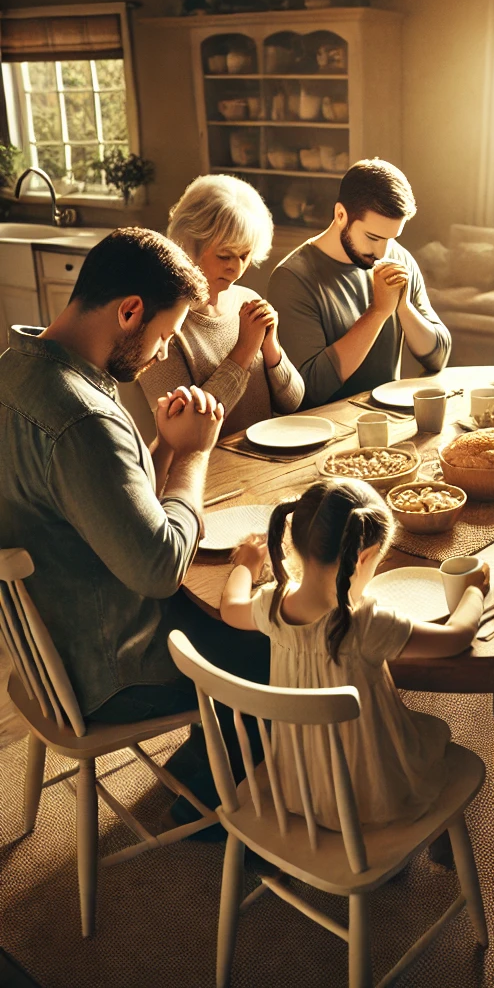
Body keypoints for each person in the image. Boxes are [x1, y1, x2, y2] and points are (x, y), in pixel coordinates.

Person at [0, 228, 271, 816]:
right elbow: (160, 568)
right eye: (164, 335)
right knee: (277, 642)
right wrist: (198, 451)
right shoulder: (85, 416)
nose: (158, 355)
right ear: (130, 312)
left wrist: (163, 448)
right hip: (107, 665)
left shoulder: (16, 368)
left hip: (45, 639)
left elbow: (95, 495)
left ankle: (212, 759)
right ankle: (209, 804)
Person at [219, 479, 490, 828]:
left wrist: (246, 564)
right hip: (376, 795)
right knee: (436, 739)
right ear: (362, 557)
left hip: (298, 785)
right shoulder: (365, 624)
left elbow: (230, 607)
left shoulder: (271, 605)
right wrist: (474, 592)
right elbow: (456, 637)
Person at [271, 158, 451, 408]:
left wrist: (404, 308)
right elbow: (309, 390)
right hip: (322, 433)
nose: (382, 252)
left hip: (386, 423)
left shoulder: (398, 257)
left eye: (392, 238)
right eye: (373, 237)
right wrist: (378, 313)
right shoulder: (292, 279)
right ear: (341, 214)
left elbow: (438, 357)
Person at [139, 174, 305, 438]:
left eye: (244, 255)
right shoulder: (163, 324)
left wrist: (271, 347)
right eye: (225, 255)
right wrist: (245, 350)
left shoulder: (246, 300)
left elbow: (293, 401)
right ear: (189, 243)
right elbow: (184, 429)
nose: (236, 268)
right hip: (204, 473)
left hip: (263, 462)